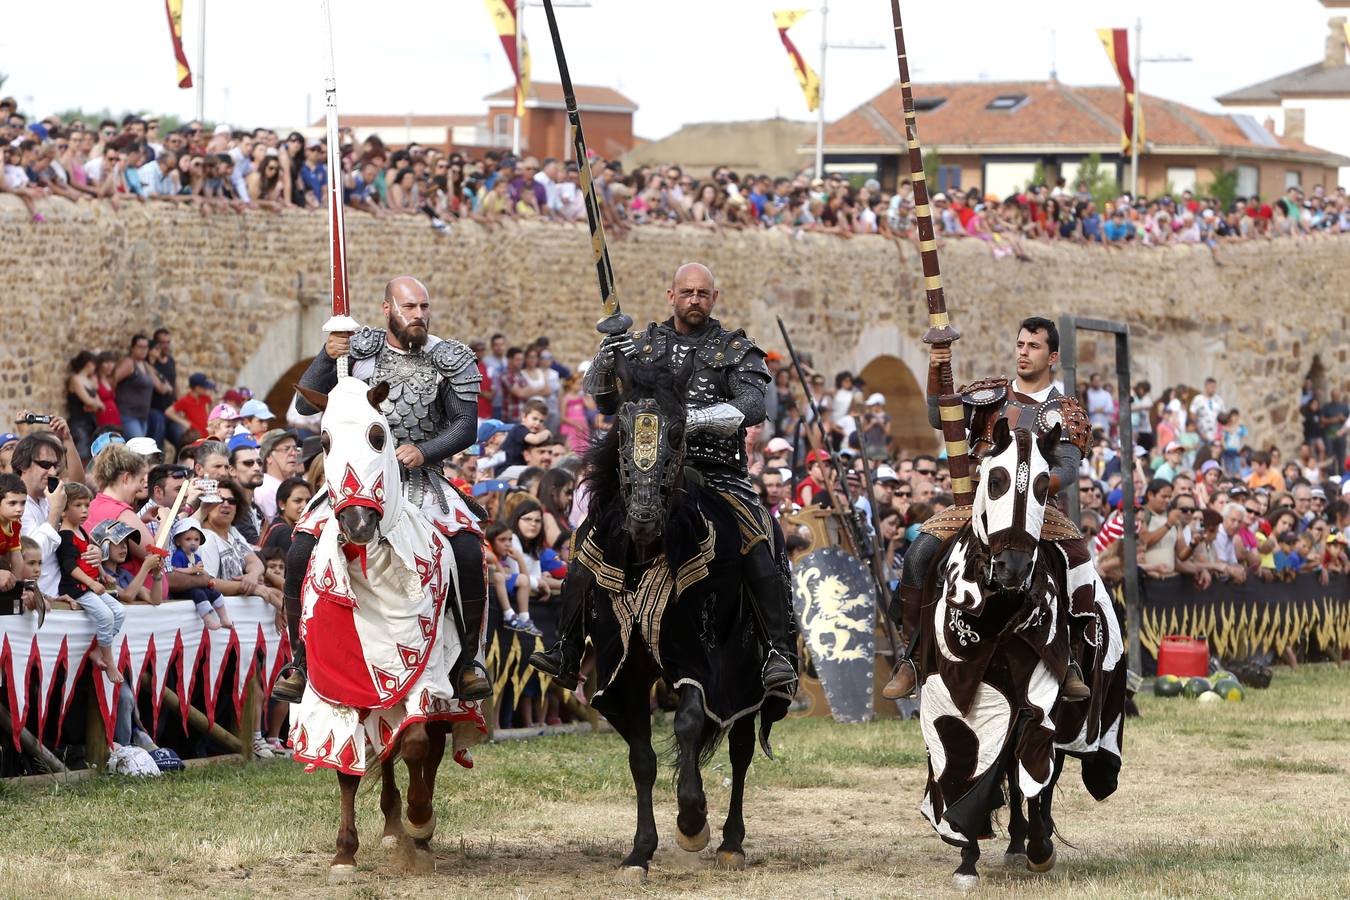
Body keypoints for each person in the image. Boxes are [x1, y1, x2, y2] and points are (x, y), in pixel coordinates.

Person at [531, 262, 797, 692]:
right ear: (671, 295)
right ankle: (566, 647)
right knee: (588, 538)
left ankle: (777, 652)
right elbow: (603, 402)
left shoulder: (734, 348)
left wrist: (691, 419)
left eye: (703, 293)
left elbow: (751, 405)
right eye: (687, 292)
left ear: (714, 299)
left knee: (761, 537)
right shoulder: (641, 346)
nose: (695, 299)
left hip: (716, 472)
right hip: (648, 471)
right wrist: (606, 354)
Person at [278, 275, 489, 703]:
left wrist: (425, 450)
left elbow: (466, 427)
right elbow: (304, 407)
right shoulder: (358, 352)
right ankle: (299, 661)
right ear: (387, 308)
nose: (418, 316)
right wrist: (327, 354)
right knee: (301, 547)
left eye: (423, 308)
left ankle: (467, 662)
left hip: (419, 478)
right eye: (409, 307)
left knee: (467, 550)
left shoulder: (451, 358)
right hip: (358, 480)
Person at [884, 316, 1093, 702]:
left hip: (1036, 510)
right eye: (1020, 345)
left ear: (1053, 356)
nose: (1024, 353)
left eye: (1033, 347)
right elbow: (938, 416)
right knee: (919, 555)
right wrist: (936, 369)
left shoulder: (1064, 410)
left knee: (1078, 559)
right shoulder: (990, 395)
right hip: (977, 505)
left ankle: (1071, 657)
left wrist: (1029, 489)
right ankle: (912, 656)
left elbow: (1066, 467)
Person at [56, 484, 127, 683]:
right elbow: (70, 567)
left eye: (87, 505)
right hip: (77, 588)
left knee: (119, 612)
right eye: (78, 505)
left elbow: (90, 559)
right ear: (63, 510)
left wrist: (102, 574)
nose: (84, 510)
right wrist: (92, 583)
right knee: (105, 616)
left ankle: (98, 650)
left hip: (91, 585)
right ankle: (109, 660)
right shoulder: (66, 536)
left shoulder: (82, 532)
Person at [169, 519, 231, 629]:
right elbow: (175, 570)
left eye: (196, 539)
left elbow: (202, 571)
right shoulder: (179, 555)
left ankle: (223, 617)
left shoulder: (196, 557)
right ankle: (207, 619)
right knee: (199, 594)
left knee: (213, 592)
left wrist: (209, 579)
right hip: (184, 589)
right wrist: (191, 570)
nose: (193, 542)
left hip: (196, 585)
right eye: (188, 539)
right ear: (178, 541)